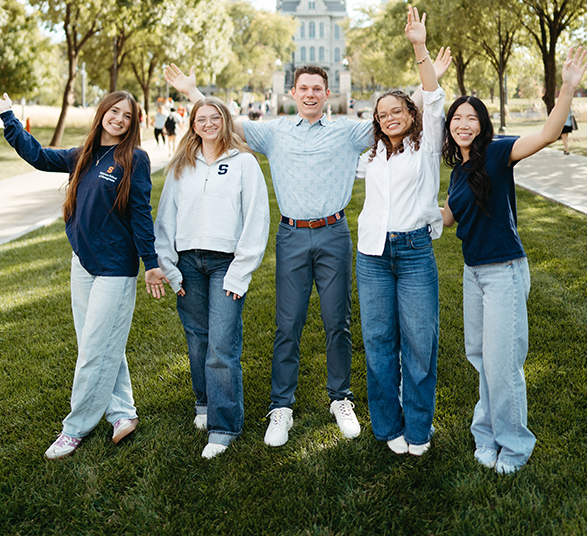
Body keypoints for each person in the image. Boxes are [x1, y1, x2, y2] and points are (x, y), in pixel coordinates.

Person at [163, 51, 449, 448]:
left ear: (327, 93)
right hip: (292, 235)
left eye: (318, 88)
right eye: (304, 89)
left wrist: (428, 79)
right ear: (293, 92)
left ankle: (341, 398)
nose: (311, 94)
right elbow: (225, 121)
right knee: (288, 325)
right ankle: (281, 407)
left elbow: (397, 116)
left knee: (339, 323)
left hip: (334, 233)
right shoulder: (274, 131)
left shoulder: (349, 133)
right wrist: (191, 90)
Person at [441, 47, 587, 474]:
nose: (464, 124)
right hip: (474, 274)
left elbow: (545, 134)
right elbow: (449, 217)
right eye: (457, 119)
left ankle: (515, 446)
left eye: (471, 118)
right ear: (450, 129)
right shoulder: (457, 172)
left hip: (504, 270)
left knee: (504, 363)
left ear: (482, 125)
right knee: (481, 358)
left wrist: (566, 89)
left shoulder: (497, 153)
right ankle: (486, 436)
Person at [0, 90, 168, 460]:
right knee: (99, 344)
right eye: (114, 112)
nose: (119, 119)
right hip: (84, 264)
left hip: (115, 268)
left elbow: (141, 213)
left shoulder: (134, 160)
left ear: (133, 122)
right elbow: (39, 157)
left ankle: (75, 428)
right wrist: (8, 117)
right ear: (102, 113)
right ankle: (123, 413)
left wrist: (150, 262)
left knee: (95, 349)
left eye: (127, 115)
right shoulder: (84, 155)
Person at [355, 7, 450, 457]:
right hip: (372, 257)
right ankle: (386, 425)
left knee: (419, 343)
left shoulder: (427, 142)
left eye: (397, 110)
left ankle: (418, 427)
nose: (390, 117)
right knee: (378, 344)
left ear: (410, 114)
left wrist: (419, 45)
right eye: (383, 113)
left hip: (413, 254)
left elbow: (432, 95)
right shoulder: (372, 155)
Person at [154, 97, 269, 459]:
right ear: (192, 124)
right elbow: (165, 219)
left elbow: (256, 219)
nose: (208, 124)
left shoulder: (244, 163)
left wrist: (240, 272)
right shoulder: (181, 166)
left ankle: (224, 426)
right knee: (197, 340)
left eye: (214, 117)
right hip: (187, 263)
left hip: (225, 264)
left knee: (221, 344)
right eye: (201, 119)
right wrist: (169, 266)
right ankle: (204, 404)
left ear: (225, 121)